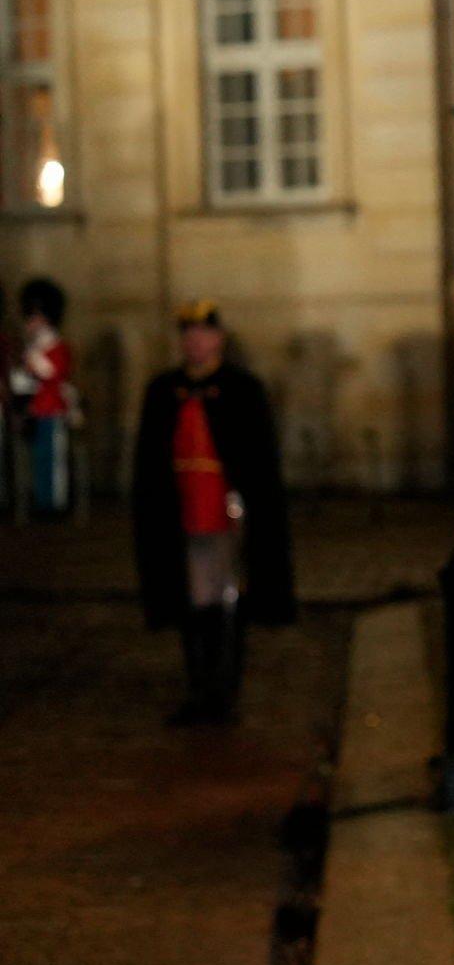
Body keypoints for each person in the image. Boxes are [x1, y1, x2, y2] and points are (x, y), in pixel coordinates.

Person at [132, 300, 296, 726]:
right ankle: (199, 689)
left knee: (228, 601)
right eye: (188, 334)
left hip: (226, 513)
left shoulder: (242, 390)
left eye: (203, 333)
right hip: (182, 513)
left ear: (218, 338)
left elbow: (257, 459)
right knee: (192, 601)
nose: (195, 342)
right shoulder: (164, 390)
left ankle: (224, 692)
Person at [9, 277, 80, 519]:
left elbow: (54, 372)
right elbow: (25, 381)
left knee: (54, 460)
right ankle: (42, 501)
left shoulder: (55, 345)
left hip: (53, 409)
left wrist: (32, 360)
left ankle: (55, 504)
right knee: (39, 458)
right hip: (37, 409)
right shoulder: (35, 347)